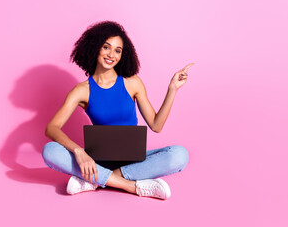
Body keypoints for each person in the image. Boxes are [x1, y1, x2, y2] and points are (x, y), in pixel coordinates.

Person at [42, 21, 193, 200]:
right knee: (49, 150)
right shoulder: (82, 90)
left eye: (117, 50)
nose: (111, 55)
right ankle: (131, 186)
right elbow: (52, 128)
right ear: (95, 47)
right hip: (96, 160)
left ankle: (95, 180)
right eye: (106, 47)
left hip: (134, 160)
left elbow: (156, 125)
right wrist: (79, 152)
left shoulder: (132, 83)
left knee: (179, 154)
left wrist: (172, 88)